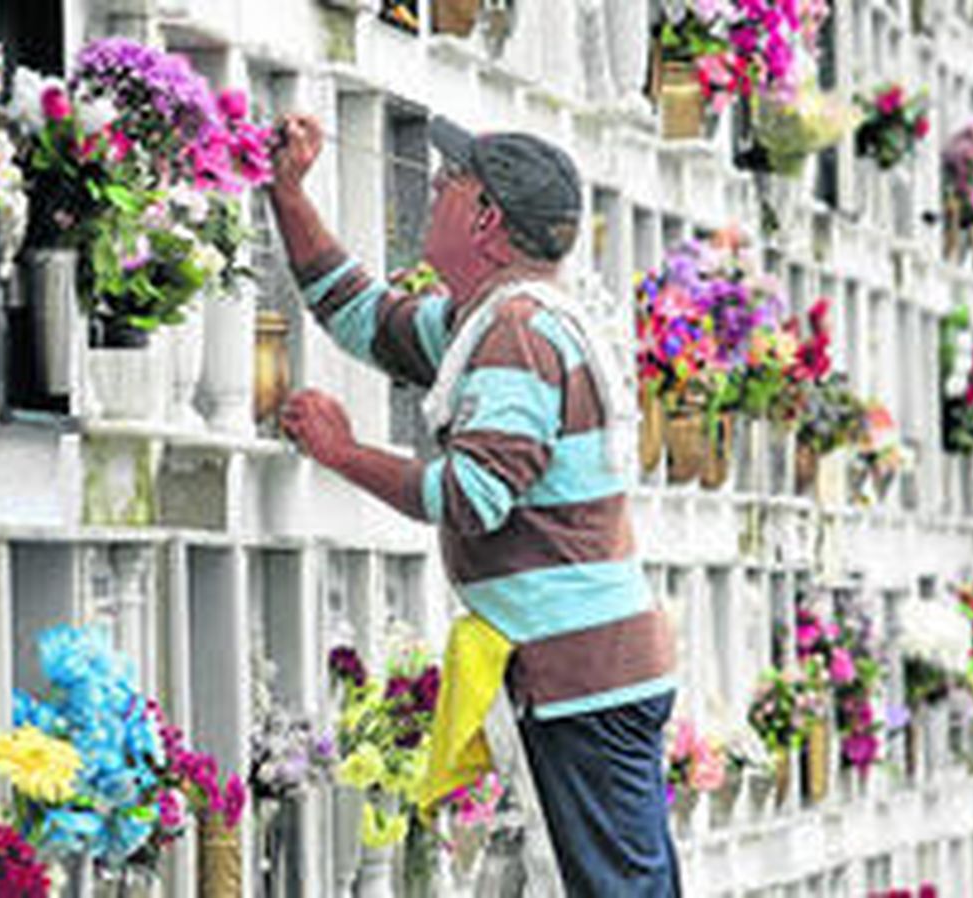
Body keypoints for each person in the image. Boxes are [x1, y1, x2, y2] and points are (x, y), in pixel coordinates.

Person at [267, 113, 680, 897]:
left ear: (486, 218)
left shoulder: (518, 333)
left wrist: (343, 452)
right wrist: (288, 193)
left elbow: (473, 495)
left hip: (583, 679)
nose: (433, 188)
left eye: (450, 179)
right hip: (588, 672)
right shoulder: (495, 319)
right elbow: (371, 322)